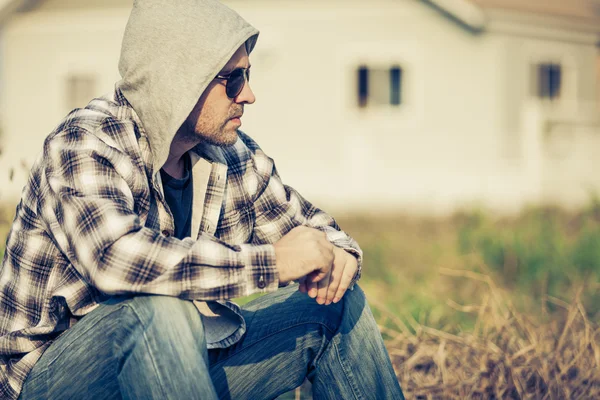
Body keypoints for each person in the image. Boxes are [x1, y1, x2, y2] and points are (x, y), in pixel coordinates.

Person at [0, 0, 405, 399]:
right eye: (232, 79)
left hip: (180, 364)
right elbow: (117, 260)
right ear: (180, 79)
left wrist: (339, 255)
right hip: (54, 379)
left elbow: (312, 228)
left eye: (248, 74)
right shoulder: (86, 142)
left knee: (333, 311)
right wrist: (274, 262)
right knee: (158, 310)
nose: (248, 95)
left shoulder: (229, 154)